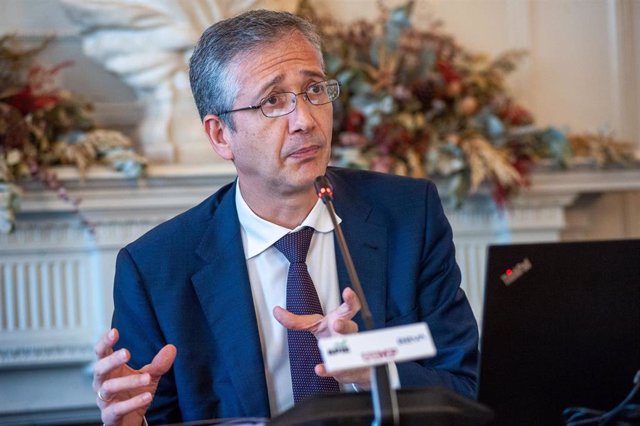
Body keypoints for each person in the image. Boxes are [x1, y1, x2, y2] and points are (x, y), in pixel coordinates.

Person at [92, 9, 479, 426]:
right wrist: (134, 424)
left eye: (314, 90)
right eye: (273, 101)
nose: (306, 121)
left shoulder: (408, 215)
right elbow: (157, 413)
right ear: (221, 135)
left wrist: (372, 371)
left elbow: (465, 388)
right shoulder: (155, 268)